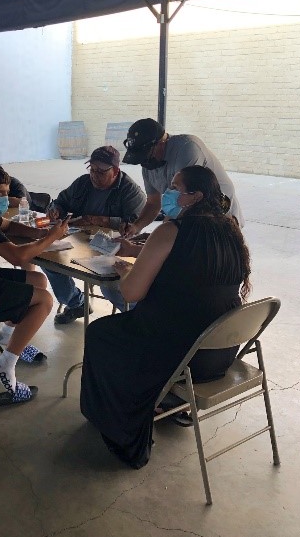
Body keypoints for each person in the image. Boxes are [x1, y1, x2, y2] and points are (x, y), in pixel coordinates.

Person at [80, 165, 251, 469]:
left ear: (194, 196)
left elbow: (131, 293)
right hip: (218, 351)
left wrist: (126, 268)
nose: (168, 193)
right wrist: (141, 256)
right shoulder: (230, 228)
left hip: (178, 355)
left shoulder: (171, 230)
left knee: (101, 333)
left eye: (175, 187)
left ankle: (124, 423)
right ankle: (167, 403)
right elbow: (190, 276)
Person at [0, 165, 69, 405]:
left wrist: (37, 234)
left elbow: (7, 226)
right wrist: (50, 238)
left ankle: (7, 336)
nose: (4, 199)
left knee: (38, 280)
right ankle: (6, 364)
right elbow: (17, 257)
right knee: (45, 300)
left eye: (6, 192)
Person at [44, 145, 146, 324]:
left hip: (114, 246)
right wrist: (55, 210)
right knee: (47, 259)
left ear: (115, 171)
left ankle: (138, 318)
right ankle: (76, 303)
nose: (94, 175)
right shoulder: (83, 183)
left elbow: (133, 226)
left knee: (109, 284)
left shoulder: (131, 192)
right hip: (79, 240)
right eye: (92, 169)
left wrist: (101, 220)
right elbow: (60, 201)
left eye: (101, 172)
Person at [121, 118, 244, 235]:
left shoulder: (187, 149)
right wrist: (136, 227)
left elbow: (184, 203)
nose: (144, 161)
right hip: (189, 214)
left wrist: (158, 238)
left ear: (161, 142)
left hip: (217, 212)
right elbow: (153, 203)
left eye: (145, 154)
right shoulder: (148, 163)